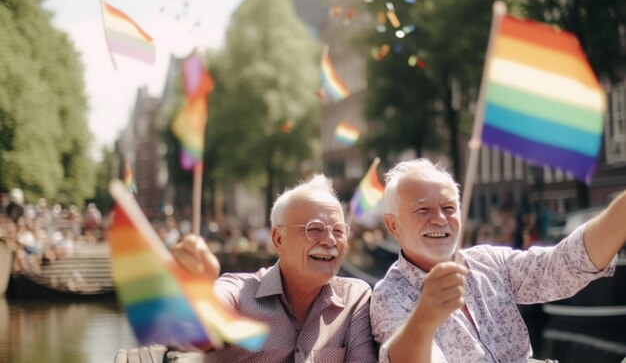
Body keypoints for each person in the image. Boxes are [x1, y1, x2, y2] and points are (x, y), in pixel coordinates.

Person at [370, 158, 624, 363]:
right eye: (423, 209)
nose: (440, 219)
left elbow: (564, 265)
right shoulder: (390, 295)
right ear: (393, 226)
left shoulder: (489, 261)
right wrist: (425, 316)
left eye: (448, 208)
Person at [117, 174, 378, 362]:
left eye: (338, 231)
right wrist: (197, 293)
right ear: (278, 239)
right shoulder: (236, 292)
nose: (330, 241)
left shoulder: (355, 298)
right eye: (315, 230)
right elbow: (190, 334)